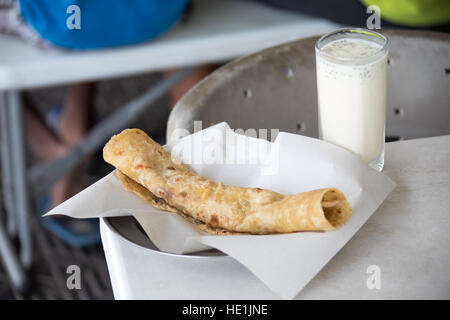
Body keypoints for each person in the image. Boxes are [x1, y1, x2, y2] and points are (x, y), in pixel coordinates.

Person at [1, 0, 196, 246]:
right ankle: (74, 123)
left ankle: (49, 148)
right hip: (157, 17)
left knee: (77, 17)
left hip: (51, 22)